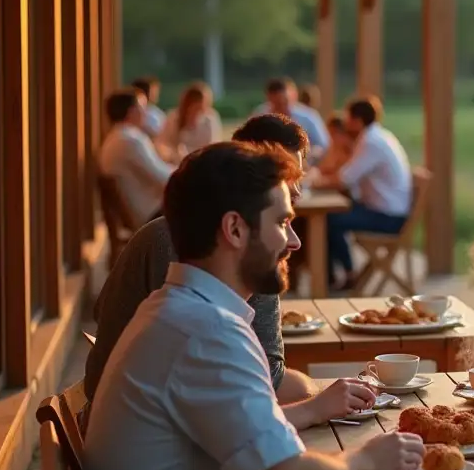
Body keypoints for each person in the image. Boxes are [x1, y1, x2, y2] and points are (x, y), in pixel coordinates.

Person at [82, 141, 463, 470]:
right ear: (235, 229)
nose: (296, 240)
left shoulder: (177, 311)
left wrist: (313, 416)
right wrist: (366, 461)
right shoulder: (206, 331)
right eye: (282, 221)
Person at [85, 115, 318, 409]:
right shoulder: (243, 254)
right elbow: (265, 382)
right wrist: (316, 397)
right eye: (275, 176)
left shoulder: (164, 237)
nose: (292, 240)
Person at [313, 96, 412, 290]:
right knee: (327, 216)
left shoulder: (371, 142)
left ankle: (343, 276)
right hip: (385, 210)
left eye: (348, 119)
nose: (346, 123)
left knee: (326, 219)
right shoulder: (379, 136)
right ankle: (334, 276)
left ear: (357, 121)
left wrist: (313, 183)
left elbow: (345, 179)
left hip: (388, 218)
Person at [98, 89, 175, 226]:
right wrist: (188, 170)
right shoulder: (130, 139)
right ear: (131, 111)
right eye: (143, 107)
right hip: (150, 215)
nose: (146, 112)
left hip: (141, 211)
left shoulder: (116, 137)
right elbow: (162, 178)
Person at [254, 77, 330, 156]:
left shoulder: (308, 117)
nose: (282, 108)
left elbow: (324, 145)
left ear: (294, 96)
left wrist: (305, 154)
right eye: (277, 104)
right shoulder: (260, 116)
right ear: (268, 99)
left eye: (285, 102)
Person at [157, 81, 223, 160]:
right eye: (194, 107)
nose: (196, 112)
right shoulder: (174, 117)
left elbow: (213, 146)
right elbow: (162, 144)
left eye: (200, 108)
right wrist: (173, 154)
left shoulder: (210, 119)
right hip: (177, 162)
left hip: (202, 161)